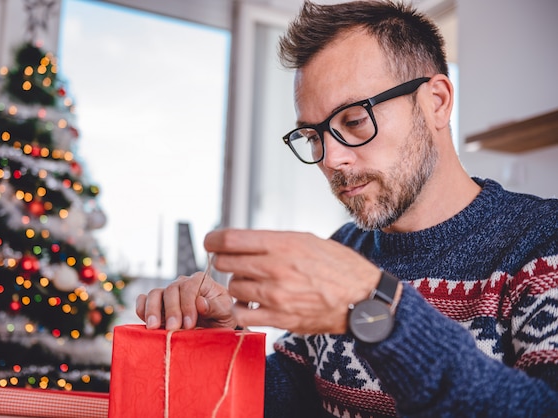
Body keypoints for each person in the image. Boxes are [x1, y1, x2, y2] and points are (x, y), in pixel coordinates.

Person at [136, 1, 558, 416]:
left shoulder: (542, 242)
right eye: (313, 136)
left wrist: (377, 310)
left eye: (354, 121)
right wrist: (222, 341)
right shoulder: (344, 249)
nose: (330, 159)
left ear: (437, 102)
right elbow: (293, 395)